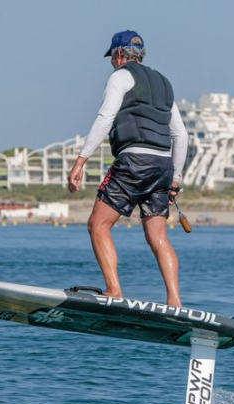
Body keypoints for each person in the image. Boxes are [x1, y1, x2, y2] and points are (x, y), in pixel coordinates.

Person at [68, 30, 189, 307]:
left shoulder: (120, 76)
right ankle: (175, 301)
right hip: (163, 165)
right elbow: (180, 136)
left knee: (98, 225)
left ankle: (114, 290)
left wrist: (81, 159)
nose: (112, 62)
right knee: (158, 237)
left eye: (112, 56)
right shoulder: (164, 83)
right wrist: (175, 180)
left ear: (120, 54)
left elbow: (105, 116)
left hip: (134, 161)